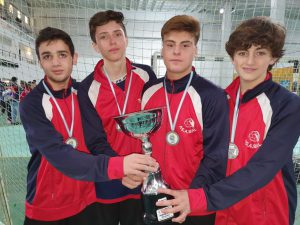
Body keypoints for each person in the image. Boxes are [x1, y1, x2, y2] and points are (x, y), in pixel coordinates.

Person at [155, 16, 300, 225]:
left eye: (260, 53)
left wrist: (199, 198)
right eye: (243, 53)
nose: (250, 62)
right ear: (233, 57)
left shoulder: (287, 105)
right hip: (222, 212)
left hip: (264, 214)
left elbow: (263, 168)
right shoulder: (222, 99)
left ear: (273, 58)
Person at [19, 27, 157, 225]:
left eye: (62, 55)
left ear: (74, 58)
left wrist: (123, 172)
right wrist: (120, 166)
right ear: (40, 61)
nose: (56, 62)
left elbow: (97, 141)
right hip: (47, 206)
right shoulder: (31, 103)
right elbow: (59, 155)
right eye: (47, 56)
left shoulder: (84, 93)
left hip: (86, 202)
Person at [139, 15, 230, 225]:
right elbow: (144, 143)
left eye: (185, 45)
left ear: (195, 49)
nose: (177, 51)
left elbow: (216, 156)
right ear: (162, 48)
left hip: (194, 203)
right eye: (170, 45)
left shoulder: (212, 95)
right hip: (156, 199)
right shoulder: (149, 91)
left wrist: (189, 196)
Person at [77, 10, 157, 225]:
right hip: (109, 179)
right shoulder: (87, 89)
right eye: (103, 36)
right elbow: (95, 139)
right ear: (95, 46)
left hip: (142, 177)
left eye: (117, 34)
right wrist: (120, 170)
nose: (112, 41)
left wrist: (140, 169)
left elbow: (156, 126)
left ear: (126, 38)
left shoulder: (146, 75)